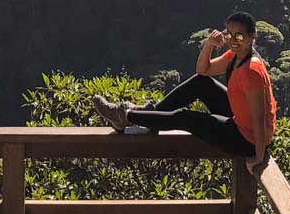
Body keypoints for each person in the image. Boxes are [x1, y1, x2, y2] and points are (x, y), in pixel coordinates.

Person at [92, 11, 277, 174]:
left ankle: (125, 115)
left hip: (247, 140)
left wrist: (258, 157)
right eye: (229, 34)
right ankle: (151, 116)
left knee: (186, 118)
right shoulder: (236, 56)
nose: (232, 40)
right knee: (201, 83)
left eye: (239, 36)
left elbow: (259, 119)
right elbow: (202, 71)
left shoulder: (252, 70)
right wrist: (209, 45)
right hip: (241, 122)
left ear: (253, 36)